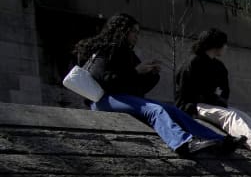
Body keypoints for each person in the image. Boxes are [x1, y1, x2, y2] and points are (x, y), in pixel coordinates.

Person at [74, 13, 234, 155]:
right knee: (155, 110)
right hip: (104, 99)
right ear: (122, 31)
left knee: (172, 110)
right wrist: (136, 71)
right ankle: (182, 143)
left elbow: (137, 88)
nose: (136, 36)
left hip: (124, 97)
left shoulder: (128, 54)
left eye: (138, 32)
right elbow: (104, 80)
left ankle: (219, 140)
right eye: (133, 32)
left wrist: (151, 75)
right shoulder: (106, 51)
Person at [176, 28, 251, 159]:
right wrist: (204, 100)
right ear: (216, 45)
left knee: (243, 115)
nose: (226, 47)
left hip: (212, 104)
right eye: (224, 44)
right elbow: (184, 92)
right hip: (193, 106)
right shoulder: (193, 62)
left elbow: (224, 90)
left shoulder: (219, 66)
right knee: (230, 115)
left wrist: (219, 99)